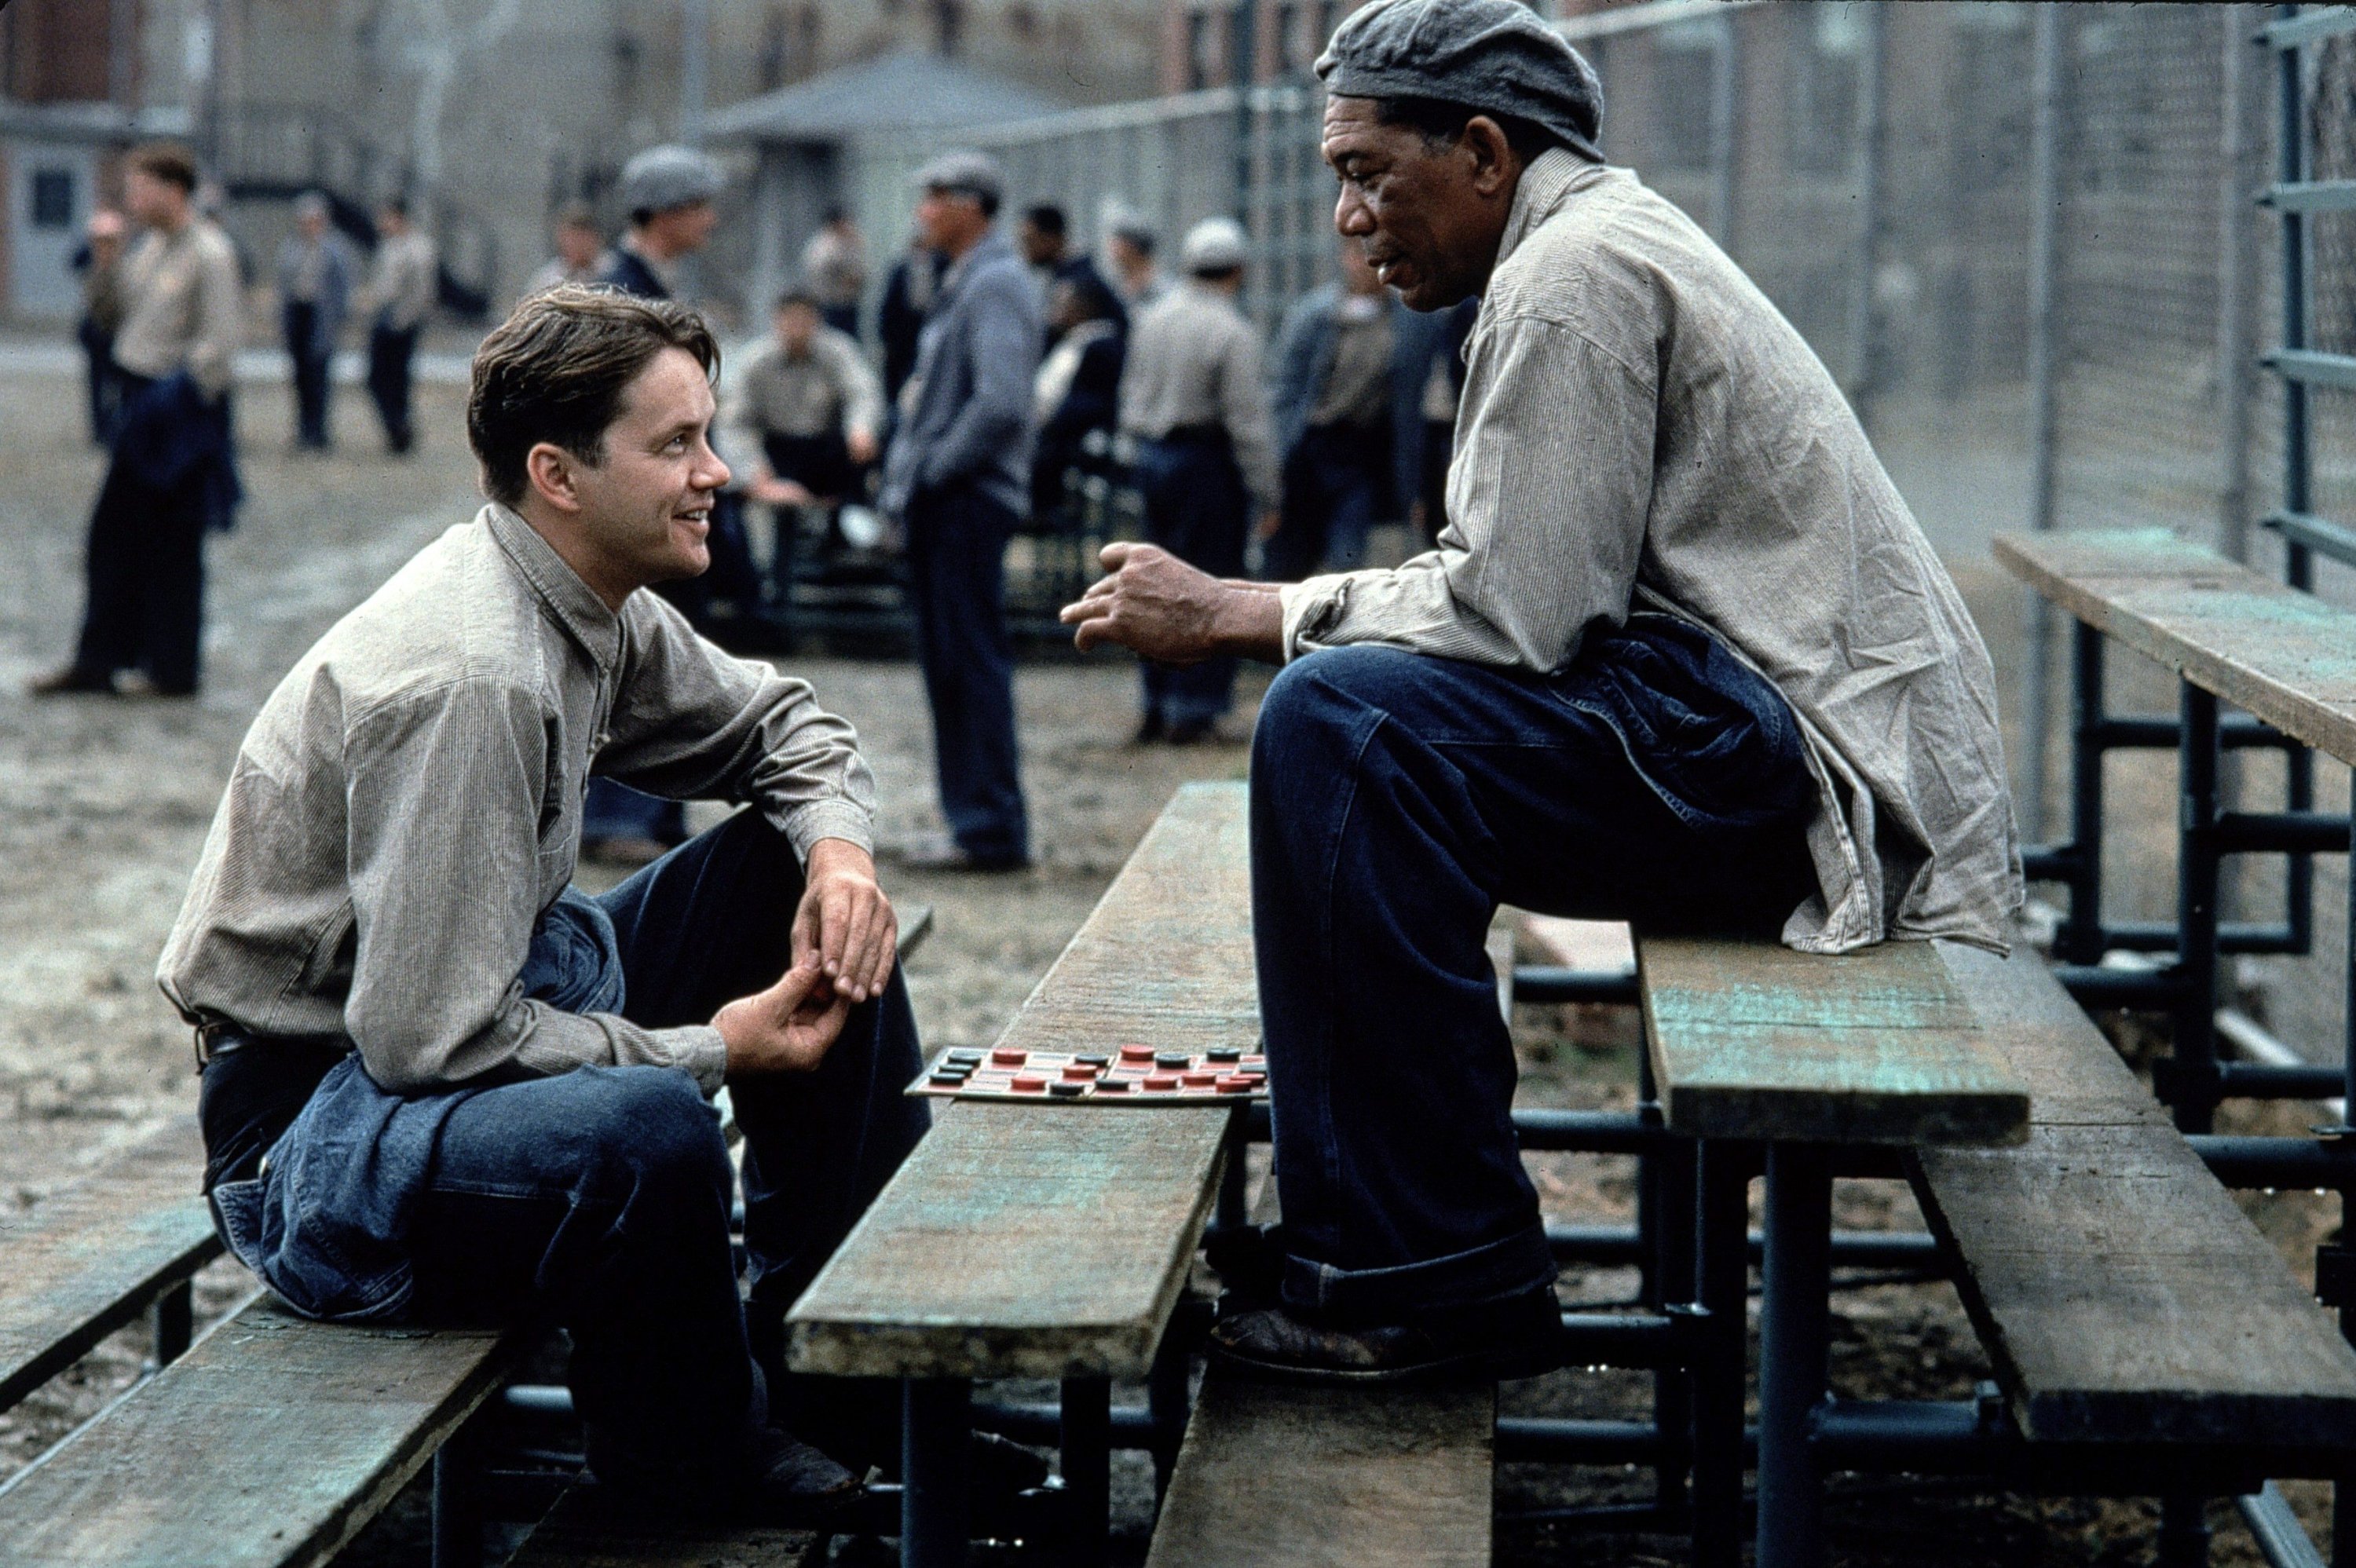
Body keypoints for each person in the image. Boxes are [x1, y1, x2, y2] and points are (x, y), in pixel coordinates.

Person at [1062, 0, 2021, 1381]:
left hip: (1817, 781)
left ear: (1487, 151)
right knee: (1363, 726)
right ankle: (1387, 1231)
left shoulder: (1573, 277)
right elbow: (1534, 601)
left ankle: (1425, 1274)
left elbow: (1519, 612)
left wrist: (1239, 610)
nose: (1349, 218)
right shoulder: (1585, 242)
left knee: (1346, 729)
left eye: (1367, 173)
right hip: (1750, 728)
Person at [155, 284, 1021, 1515]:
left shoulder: (583, 595)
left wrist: (840, 859)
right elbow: (428, 1042)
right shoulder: (475, 678)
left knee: (789, 880)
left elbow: (785, 725)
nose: (717, 472)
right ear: (558, 474)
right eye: (676, 445)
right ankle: (690, 1458)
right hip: (314, 1139)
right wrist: (712, 1048)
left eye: (708, 435)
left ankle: (848, 1380)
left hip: (463, 1013)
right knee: (653, 1129)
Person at [876, 151, 1041, 872]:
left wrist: (933, 472)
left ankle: (988, 829)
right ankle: (973, 822)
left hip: (966, 501)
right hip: (950, 500)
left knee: (968, 664)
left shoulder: (996, 282)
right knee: (951, 664)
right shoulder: (967, 280)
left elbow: (1001, 402)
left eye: (935, 197)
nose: (923, 212)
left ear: (972, 205)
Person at [31, 143, 241, 700]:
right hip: (139, 406)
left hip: (178, 415)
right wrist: (103, 263)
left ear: (173, 190)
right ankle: (99, 658)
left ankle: (173, 670)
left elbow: (220, 347)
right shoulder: (148, 250)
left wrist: (175, 396)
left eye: (141, 187)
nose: (132, 198)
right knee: (115, 536)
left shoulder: (209, 254)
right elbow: (111, 318)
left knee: (173, 545)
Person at [586, 144, 748, 860]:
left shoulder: (651, 284)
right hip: (641, 501)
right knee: (634, 654)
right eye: (699, 207)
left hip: (669, 493)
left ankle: (651, 816)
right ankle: (618, 818)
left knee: (662, 654)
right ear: (666, 213)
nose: (710, 221)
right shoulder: (621, 294)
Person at [1114, 216, 1278, 746]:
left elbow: (1132, 394)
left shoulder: (1152, 319)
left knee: (1151, 582)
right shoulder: (1232, 331)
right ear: (1237, 269)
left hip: (1153, 457)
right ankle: (1196, 705)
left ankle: (1155, 700)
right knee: (1207, 584)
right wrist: (1267, 491)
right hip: (1206, 463)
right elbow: (1247, 421)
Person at [1264, 236, 1414, 579]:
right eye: (1359, 257)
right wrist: (1279, 456)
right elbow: (1286, 390)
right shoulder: (1313, 316)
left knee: (1347, 553)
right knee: (1293, 558)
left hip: (1361, 452)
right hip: (1312, 448)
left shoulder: (1403, 319)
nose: (1367, 267)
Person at [726, 285, 886, 581]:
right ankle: (755, 577)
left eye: (804, 320)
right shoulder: (755, 362)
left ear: (816, 322)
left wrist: (860, 429)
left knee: (870, 453)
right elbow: (735, 421)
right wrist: (752, 471)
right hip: (778, 450)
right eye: (790, 320)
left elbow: (863, 393)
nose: (796, 329)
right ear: (776, 321)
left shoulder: (838, 351)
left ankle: (855, 536)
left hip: (827, 450)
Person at [1030, 273, 1127, 529]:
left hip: (1073, 440)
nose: (1057, 311)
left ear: (1085, 306)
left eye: (1064, 304)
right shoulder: (1074, 340)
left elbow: (1087, 404)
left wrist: (1049, 424)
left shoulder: (1101, 344)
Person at [276, 191, 353, 452]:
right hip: (298, 314)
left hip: (321, 319)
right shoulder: (291, 248)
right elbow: (284, 286)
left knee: (318, 377)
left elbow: (342, 291)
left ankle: (319, 432)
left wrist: (335, 323)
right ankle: (302, 430)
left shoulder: (335, 250)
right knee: (299, 377)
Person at [364, 198, 437, 455]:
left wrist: (403, 320)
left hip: (403, 321)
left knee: (398, 379)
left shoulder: (419, 249)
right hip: (385, 318)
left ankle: (401, 430)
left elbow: (422, 291)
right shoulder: (389, 247)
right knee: (376, 378)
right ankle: (395, 427)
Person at [1017, 203, 1125, 345]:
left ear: (1052, 238)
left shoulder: (1077, 284)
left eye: (1030, 240)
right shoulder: (1068, 276)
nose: (1025, 249)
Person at [73, 207, 130, 447]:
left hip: (118, 334)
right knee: (97, 385)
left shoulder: (126, 266)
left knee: (120, 385)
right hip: (97, 335)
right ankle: (100, 430)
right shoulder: (91, 263)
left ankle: (118, 427)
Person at [876, 233, 940, 412]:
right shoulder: (900, 270)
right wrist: (886, 339)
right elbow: (888, 305)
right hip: (902, 332)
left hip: (926, 326)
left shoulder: (940, 266)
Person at [799, 207, 867, 338]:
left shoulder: (853, 242)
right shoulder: (822, 245)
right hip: (827, 304)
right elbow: (821, 269)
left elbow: (862, 271)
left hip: (849, 303)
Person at [524, 202, 605, 297]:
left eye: (584, 237)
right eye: (573, 238)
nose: (579, 244)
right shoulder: (546, 280)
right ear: (561, 238)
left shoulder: (613, 272)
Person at [1104, 210, 1169, 314]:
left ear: (1133, 247)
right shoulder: (1115, 286)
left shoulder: (1163, 290)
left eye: (1118, 242)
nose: (1112, 249)